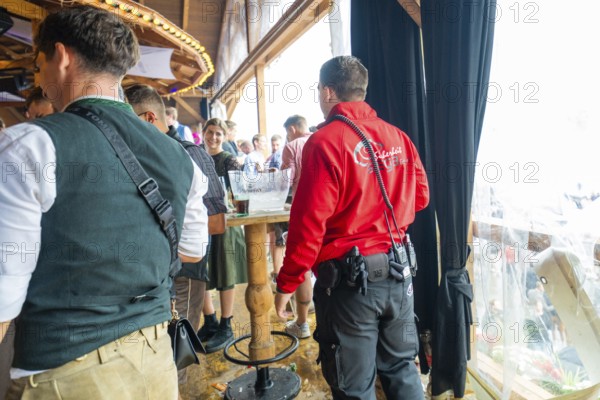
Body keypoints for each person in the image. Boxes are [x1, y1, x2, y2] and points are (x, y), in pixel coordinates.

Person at [0, 7, 208, 399]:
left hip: (65, 375)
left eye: (39, 64)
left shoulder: (28, 145)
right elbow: (192, 251)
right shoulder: (181, 157)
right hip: (154, 362)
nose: (40, 79)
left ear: (60, 57)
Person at [274, 56, 430, 399]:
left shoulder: (325, 143)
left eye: (319, 89)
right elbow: (420, 198)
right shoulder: (398, 137)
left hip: (351, 287)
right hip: (400, 274)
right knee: (403, 370)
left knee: (353, 387)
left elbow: (308, 226)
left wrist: (287, 282)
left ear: (329, 91)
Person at [125, 83, 227, 386]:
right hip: (145, 277)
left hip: (182, 272)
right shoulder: (136, 156)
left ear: (147, 119)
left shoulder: (189, 153)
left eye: (126, 123)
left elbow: (217, 220)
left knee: (173, 355)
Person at [197, 118, 248, 353]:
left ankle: (227, 325)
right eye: (210, 132)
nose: (214, 137)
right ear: (203, 132)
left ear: (225, 136)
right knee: (199, 272)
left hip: (225, 223)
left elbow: (242, 192)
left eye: (218, 133)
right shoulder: (195, 156)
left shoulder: (230, 160)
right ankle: (210, 321)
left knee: (225, 271)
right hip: (198, 222)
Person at [279, 115, 314, 339]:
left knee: (304, 268)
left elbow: (285, 181)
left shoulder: (292, 146)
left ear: (292, 129)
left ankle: (302, 323)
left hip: (304, 213)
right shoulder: (323, 139)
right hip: (331, 215)